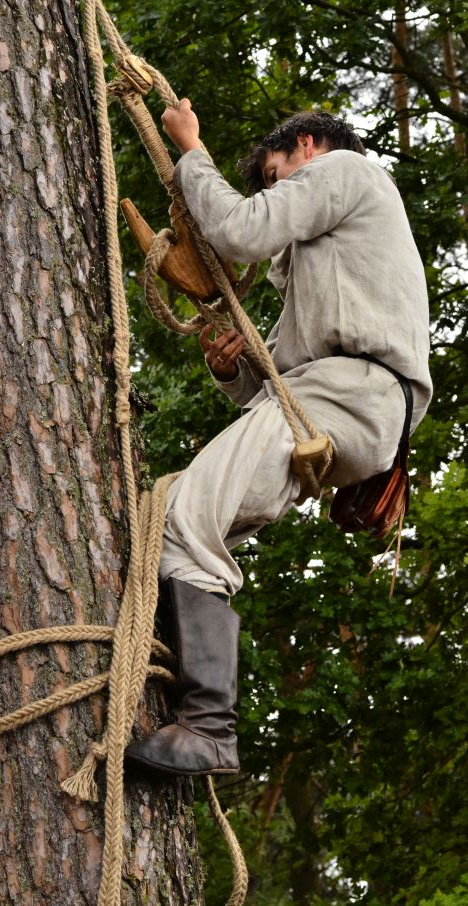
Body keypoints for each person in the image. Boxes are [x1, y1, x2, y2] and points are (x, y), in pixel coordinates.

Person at [125, 105, 432, 777]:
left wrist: (190, 149)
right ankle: (189, 701)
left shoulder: (345, 170)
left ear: (307, 146)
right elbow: (281, 398)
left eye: (274, 174)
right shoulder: (334, 265)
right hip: (346, 405)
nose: (274, 192)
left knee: (181, 522)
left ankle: (208, 727)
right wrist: (234, 372)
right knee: (190, 521)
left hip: (355, 392)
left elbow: (239, 232)